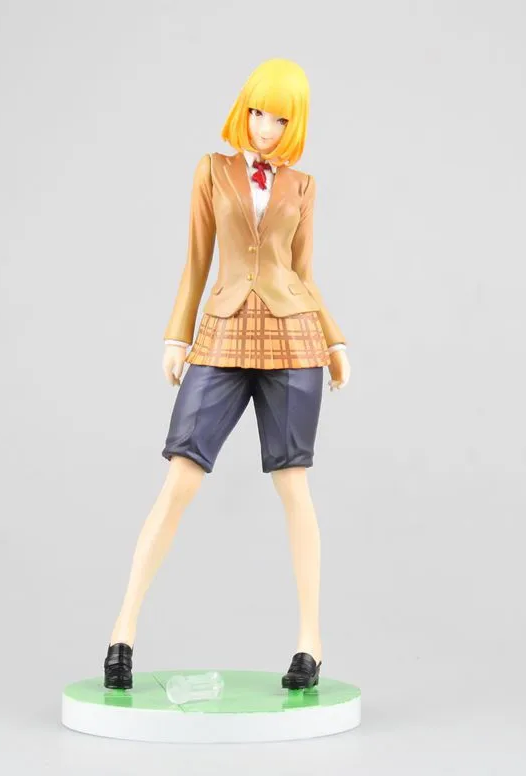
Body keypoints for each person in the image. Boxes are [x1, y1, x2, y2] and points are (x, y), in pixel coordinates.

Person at [103, 58, 351, 692]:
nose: (265, 127)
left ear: (295, 125)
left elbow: (304, 272)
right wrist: (177, 335)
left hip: (294, 340)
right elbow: (196, 258)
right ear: (244, 110)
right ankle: (122, 631)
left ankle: (310, 642)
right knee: (179, 480)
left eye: (280, 118)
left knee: (293, 486)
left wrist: (334, 339)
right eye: (257, 112)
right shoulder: (213, 171)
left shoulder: (304, 186)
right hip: (221, 333)